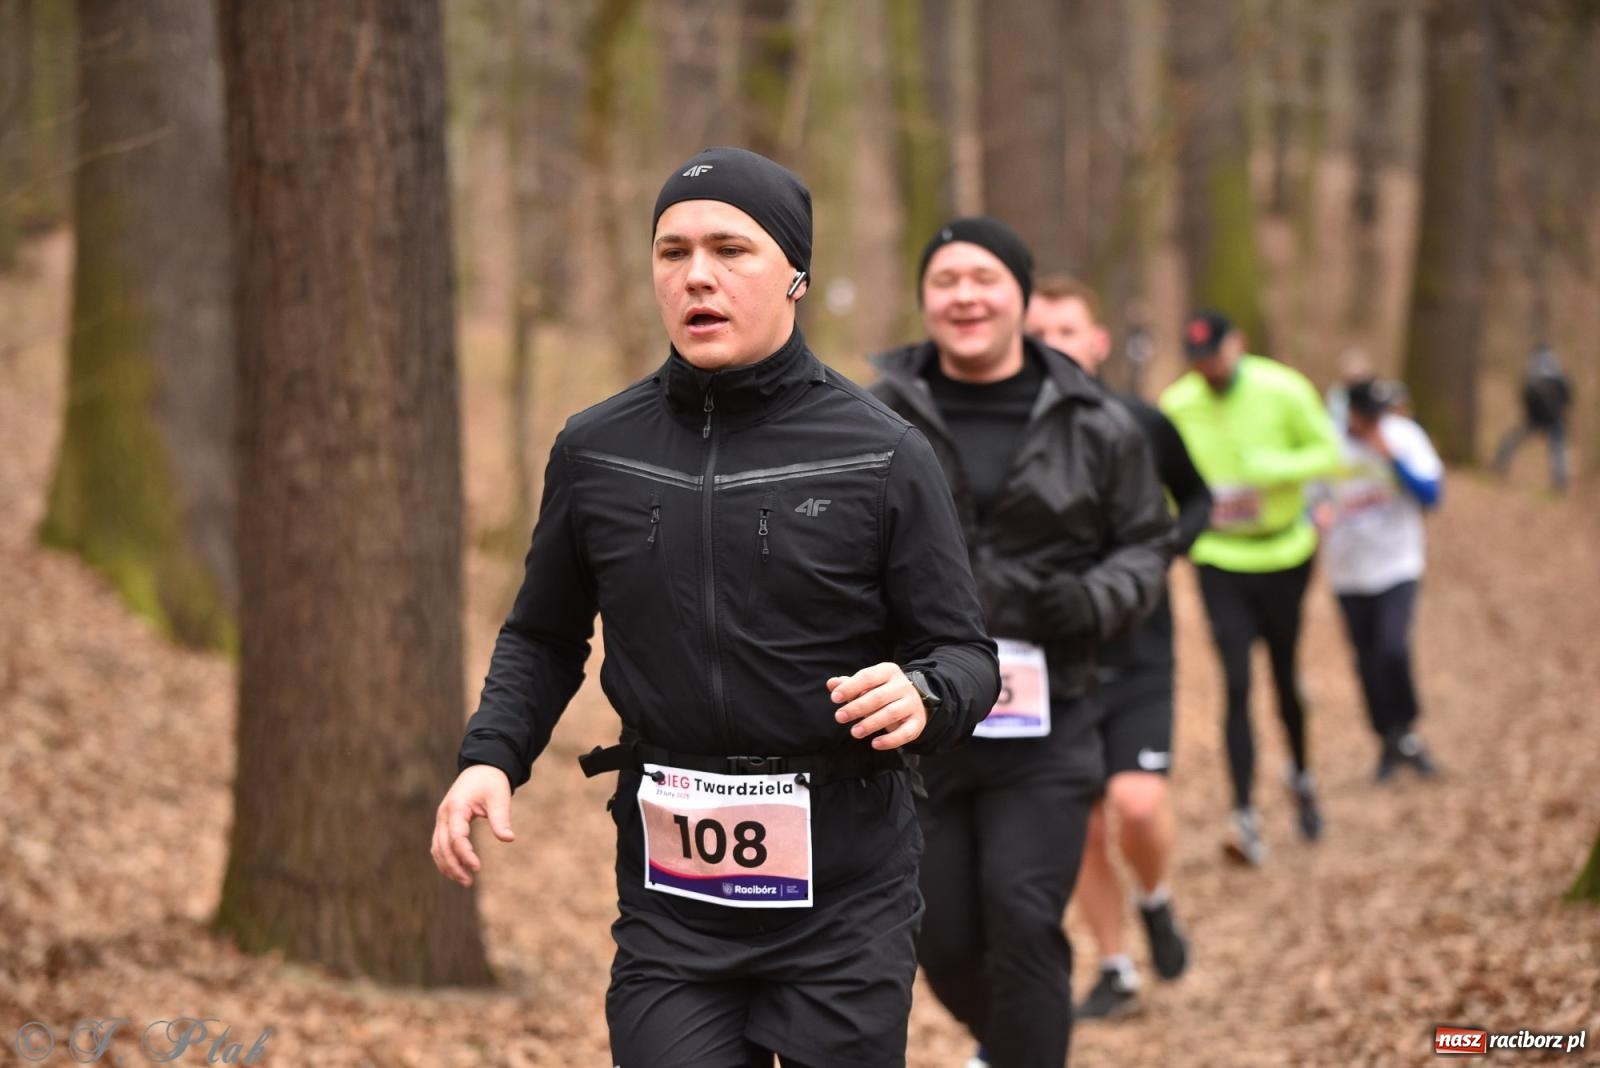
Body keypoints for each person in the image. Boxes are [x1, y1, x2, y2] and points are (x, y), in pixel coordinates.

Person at [430, 147, 1001, 1068]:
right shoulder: (597, 451)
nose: (697, 274)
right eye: (672, 251)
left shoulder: (882, 453)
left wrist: (925, 695)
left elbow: (966, 653)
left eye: (731, 249)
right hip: (674, 900)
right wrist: (492, 756)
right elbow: (543, 633)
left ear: (796, 275)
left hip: (845, 888)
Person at [869, 220, 1174, 1068]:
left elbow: (1148, 540)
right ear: (925, 298)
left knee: (1025, 917)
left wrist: (1090, 599)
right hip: (919, 719)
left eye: (985, 277)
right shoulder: (871, 412)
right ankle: (1012, 1051)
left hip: (1050, 715)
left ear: (1022, 296)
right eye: (945, 279)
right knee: (942, 932)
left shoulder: (1095, 419)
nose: (964, 295)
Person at [1026, 275, 1211, 1019]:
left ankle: (1157, 900)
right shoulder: (1008, 438)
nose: (1053, 347)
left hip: (1139, 652)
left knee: (1135, 806)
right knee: (1082, 824)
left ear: (1097, 342)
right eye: (1039, 335)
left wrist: (1164, 555)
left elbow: (1196, 497)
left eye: (1067, 332)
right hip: (1049, 661)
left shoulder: (1140, 422)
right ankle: (1115, 967)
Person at [1159, 311, 1342, 866]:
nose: (1208, 366)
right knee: (1235, 682)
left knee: (1284, 675)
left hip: (1285, 551)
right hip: (1219, 558)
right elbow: (1165, 480)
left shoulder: (1282, 388)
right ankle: (1243, 814)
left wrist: (1278, 468)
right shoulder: (1178, 404)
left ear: (1236, 343)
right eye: (1198, 359)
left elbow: (1329, 453)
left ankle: (1303, 776)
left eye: (1215, 353)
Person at [1317, 378, 1442, 780]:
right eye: (1366, 416)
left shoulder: (1403, 437)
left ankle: (1406, 727)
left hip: (1397, 563)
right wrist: (1315, 515)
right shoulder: (1326, 443)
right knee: (1366, 660)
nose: (1373, 423)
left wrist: (1394, 460)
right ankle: (1387, 739)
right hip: (1348, 570)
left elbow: (1432, 495)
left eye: (1379, 415)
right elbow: (1309, 499)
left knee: (1392, 649)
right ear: (1349, 414)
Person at [1492, 343, 1573, 493]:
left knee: (1513, 439)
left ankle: (1499, 465)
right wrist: (1562, 412)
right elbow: (1568, 396)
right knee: (1558, 450)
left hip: (1535, 418)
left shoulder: (1533, 370)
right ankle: (1560, 481)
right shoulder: (1558, 372)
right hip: (1555, 418)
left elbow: (1525, 395)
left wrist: (1531, 414)